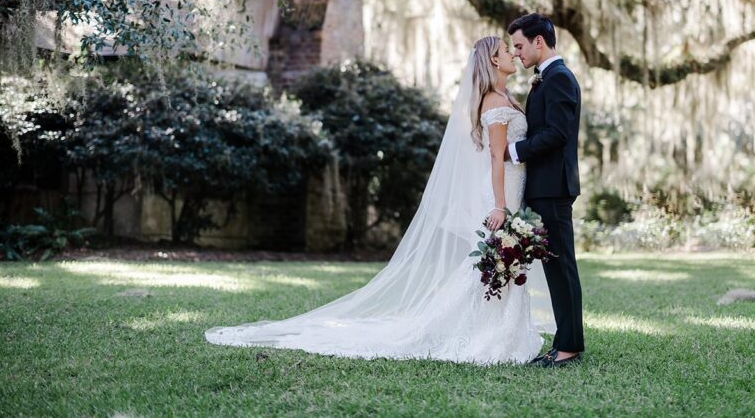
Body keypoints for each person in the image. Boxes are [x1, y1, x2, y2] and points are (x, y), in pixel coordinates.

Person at [204, 36, 555, 365]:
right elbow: (496, 157)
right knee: (496, 259)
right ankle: (484, 331)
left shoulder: (507, 98)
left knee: (502, 260)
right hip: (500, 193)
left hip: (512, 188)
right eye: (507, 50)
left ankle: (499, 327)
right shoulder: (494, 102)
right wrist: (499, 205)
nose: (513, 54)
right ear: (493, 60)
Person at [507, 12, 585, 368]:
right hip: (544, 187)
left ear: (539, 41)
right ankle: (564, 342)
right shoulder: (547, 77)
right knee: (555, 267)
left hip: (553, 188)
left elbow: (557, 133)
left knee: (561, 266)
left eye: (519, 45)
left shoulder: (559, 78)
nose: (516, 53)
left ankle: (568, 346)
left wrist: (514, 151)